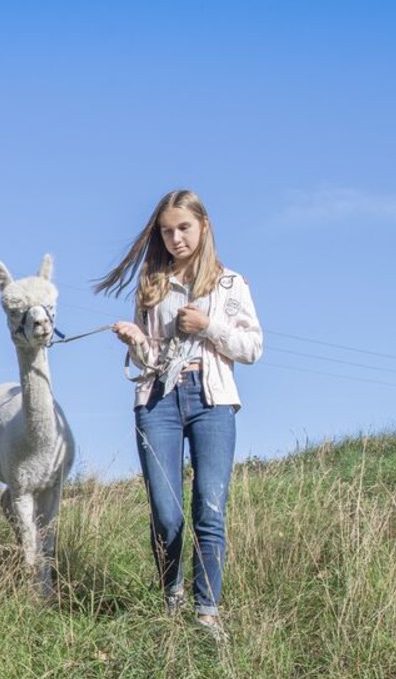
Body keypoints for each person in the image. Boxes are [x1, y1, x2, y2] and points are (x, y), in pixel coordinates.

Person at [93, 189, 263, 641]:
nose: (176, 239)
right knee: (166, 513)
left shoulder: (231, 284)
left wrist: (209, 327)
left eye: (184, 228)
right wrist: (136, 340)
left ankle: (207, 614)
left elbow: (252, 348)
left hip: (212, 400)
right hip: (158, 401)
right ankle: (171, 597)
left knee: (210, 507)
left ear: (203, 226)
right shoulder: (153, 285)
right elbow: (150, 359)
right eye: (167, 231)